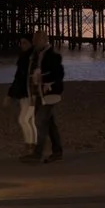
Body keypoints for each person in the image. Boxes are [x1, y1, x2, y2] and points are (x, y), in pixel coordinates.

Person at [8, 32, 41, 161]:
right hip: (23, 93)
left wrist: (35, 95)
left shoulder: (34, 57)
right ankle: (31, 147)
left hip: (31, 93)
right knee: (29, 120)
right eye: (21, 43)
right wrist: (10, 94)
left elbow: (36, 77)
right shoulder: (23, 57)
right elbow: (18, 77)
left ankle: (32, 147)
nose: (22, 45)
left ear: (31, 43)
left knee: (24, 119)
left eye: (25, 42)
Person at [34, 33, 67, 161]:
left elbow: (59, 74)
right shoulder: (37, 55)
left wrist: (43, 78)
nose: (34, 43)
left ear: (43, 40)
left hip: (50, 92)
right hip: (41, 93)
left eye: (36, 40)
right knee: (49, 122)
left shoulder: (54, 56)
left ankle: (37, 153)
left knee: (41, 121)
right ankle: (57, 151)